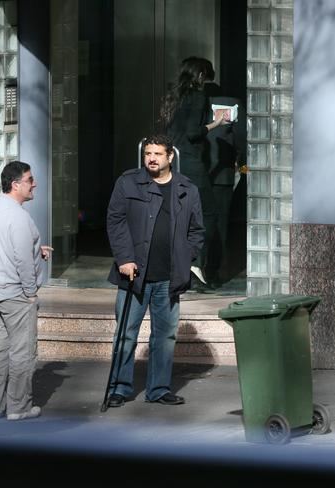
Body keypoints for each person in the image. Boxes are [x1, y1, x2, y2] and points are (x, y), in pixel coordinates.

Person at [105, 134, 205, 407]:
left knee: (165, 335)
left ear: (170, 157)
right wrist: (124, 258)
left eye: (157, 154)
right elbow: (115, 221)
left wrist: (186, 257)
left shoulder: (187, 188)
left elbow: (197, 231)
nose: (151, 158)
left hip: (169, 278)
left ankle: (158, 389)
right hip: (134, 275)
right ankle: (119, 388)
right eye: (148, 153)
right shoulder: (128, 182)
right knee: (126, 333)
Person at [0, 161, 53, 421]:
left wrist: (37, 250)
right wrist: (31, 292)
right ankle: (18, 408)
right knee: (22, 352)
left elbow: (4, 247)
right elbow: (21, 257)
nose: (35, 184)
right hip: (14, 293)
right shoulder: (18, 215)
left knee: (0, 351)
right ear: (16, 184)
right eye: (30, 180)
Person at [159, 56, 229, 292]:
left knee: (182, 216)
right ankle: (194, 264)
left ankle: (179, 265)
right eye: (206, 77)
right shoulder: (198, 96)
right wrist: (216, 123)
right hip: (190, 163)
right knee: (209, 214)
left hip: (173, 163)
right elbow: (193, 133)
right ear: (200, 76)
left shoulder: (174, 95)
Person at [202, 59, 247, 285]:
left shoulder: (185, 102)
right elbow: (240, 140)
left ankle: (193, 268)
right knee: (220, 221)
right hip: (222, 175)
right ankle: (213, 270)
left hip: (194, 172)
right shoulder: (230, 102)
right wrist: (241, 162)